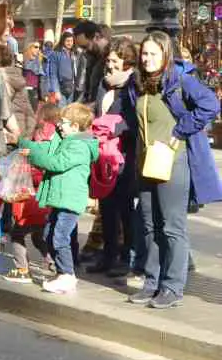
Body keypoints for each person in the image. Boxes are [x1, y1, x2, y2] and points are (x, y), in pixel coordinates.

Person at [121, 31, 222, 308]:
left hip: (172, 163)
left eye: (153, 54)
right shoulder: (136, 83)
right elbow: (130, 117)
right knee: (149, 225)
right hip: (144, 162)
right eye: (144, 53)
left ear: (165, 55)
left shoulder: (180, 80)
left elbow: (211, 104)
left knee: (172, 227)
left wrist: (181, 129)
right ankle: (151, 282)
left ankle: (172, 286)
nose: (147, 59)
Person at [19, 102, 99, 294]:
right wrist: (24, 143)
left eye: (63, 122)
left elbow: (56, 163)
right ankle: (63, 272)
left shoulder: (79, 146)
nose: (59, 125)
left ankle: (67, 275)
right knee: (49, 235)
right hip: (60, 199)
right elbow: (45, 150)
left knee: (59, 237)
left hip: (69, 200)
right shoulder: (66, 141)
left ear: (75, 126)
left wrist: (33, 155)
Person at [86, 37, 136, 277]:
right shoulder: (104, 84)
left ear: (126, 62)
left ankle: (126, 257)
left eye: (115, 61)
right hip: (103, 153)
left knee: (124, 207)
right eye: (108, 61)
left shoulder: (132, 85)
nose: (110, 65)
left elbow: (135, 118)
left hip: (124, 155)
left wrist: (115, 128)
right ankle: (108, 254)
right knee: (106, 207)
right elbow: (98, 109)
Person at [0, 102, 58, 283]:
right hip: (49, 200)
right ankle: (51, 262)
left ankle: (22, 269)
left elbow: (36, 165)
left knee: (17, 234)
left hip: (32, 199)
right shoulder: (58, 135)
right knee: (38, 234)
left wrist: (21, 169)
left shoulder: (39, 135)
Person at [72, 20, 111, 104]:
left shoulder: (114, 58)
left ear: (96, 37)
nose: (84, 51)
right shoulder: (92, 58)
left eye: (85, 46)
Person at [42, 31, 75, 103]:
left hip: (72, 88)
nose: (70, 43)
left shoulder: (74, 53)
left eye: (71, 41)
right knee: (61, 112)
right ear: (63, 41)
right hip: (61, 88)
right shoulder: (56, 54)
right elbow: (53, 74)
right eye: (67, 41)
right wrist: (56, 91)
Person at [22, 41, 44, 109]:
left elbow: (41, 80)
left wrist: (42, 95)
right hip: (24, 91)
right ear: (30, 47)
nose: (38, 49)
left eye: (39, 47)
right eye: (36, 47)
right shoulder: (23, 59)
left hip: (34, 91)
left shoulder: (39, 61)